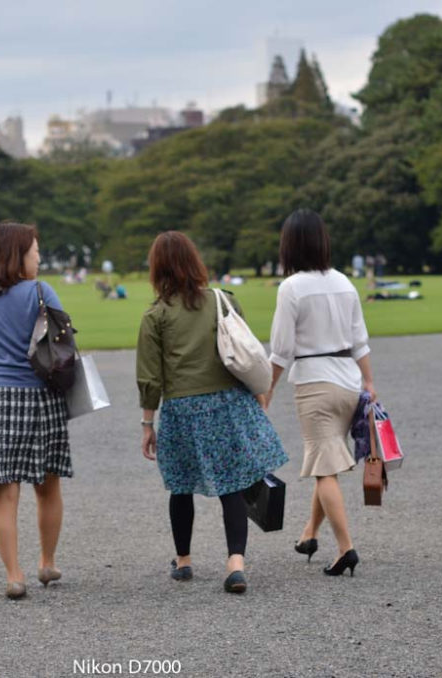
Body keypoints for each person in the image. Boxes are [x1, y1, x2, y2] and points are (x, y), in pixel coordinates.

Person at [137, 231, 288, 594]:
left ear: (157, 269)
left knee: (180, 486)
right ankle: (235, 563)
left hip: (182, 409)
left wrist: (147, 424)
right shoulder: (224, 300)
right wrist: (259, 393)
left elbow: (150, 378)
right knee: (232, 485)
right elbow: (245, 352)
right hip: (227, 405)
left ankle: (184, 560)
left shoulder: (155, 315)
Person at [0, 222, 72, 601]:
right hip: (41, 396)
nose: (39, 257)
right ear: (18, 255)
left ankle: (13, 576)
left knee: (3, 493)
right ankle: (47, 562)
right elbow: (64, 343)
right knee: (47, 486)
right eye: (35, 251)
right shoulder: (41, 292)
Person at [266, 209, 378, 578]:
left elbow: (281, 350)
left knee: (323, 469)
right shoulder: (344, 282)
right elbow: (360, 340)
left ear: (289, 246)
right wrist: (369, 383)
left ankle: (346, 548)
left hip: (315, 385)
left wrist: (266, 390)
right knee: (325, 463)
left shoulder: (291, 287)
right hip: (349, 382)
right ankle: (309, 534)